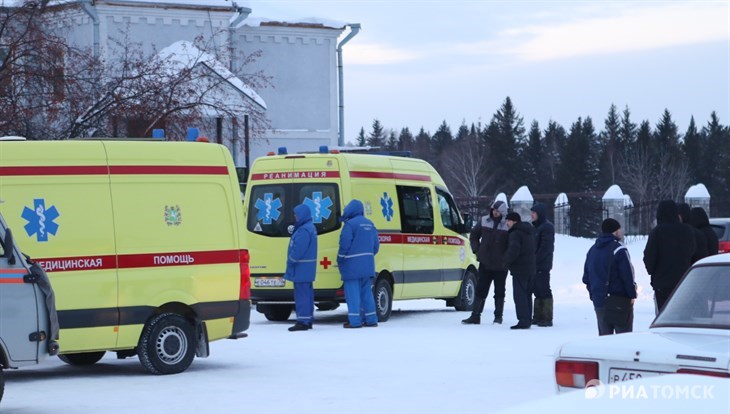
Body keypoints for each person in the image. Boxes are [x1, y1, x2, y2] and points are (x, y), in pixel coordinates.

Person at [583, 218, 637, 335]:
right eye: (619, 229)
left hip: (599, 301)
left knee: (605, 342)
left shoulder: (592, 250)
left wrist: (594, 295)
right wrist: (632, 294)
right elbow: (627, 276)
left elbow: (586, 278)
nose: (621, 231)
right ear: (615, 231)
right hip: (619, 301)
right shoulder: (619, 249)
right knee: (624, 339)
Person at [643, 200, 695, 314]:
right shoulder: (687, 230)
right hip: (683, 281)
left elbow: (649, 257)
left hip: (662, 284)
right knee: (682, 315)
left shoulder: (657, 232)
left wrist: (652, 271)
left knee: (664, 317)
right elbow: (692, 252)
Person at [463, 200, 510, 325]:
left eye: (498, 211)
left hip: (501, 265)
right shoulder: (484, 220)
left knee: (499, 291)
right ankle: (475, 315)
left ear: (503, 212)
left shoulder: (508, 224)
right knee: (481, 289)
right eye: (494, 210)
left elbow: (512, 243)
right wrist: (477, 250)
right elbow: (473, 235)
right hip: (485, 263)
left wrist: (506, 258)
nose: (495, 212)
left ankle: (498, 317)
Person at [337, 199, 380, 329]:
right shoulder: (370, 224)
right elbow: (376, 247)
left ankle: (355, 321)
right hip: (368, 265)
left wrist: (340, 258)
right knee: (366, 293)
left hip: (352, 266)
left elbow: (345, 243)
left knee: (352, 294)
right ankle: (371, 319)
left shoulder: (350, 225)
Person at [284, 203, 318, 332]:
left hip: (301, 267)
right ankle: (308, 319)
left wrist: (291, 260)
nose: (295, 216)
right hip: (307, 268)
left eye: (296, 214)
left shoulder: (303, 230)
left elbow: (299, 249)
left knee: (302, 295)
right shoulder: (310, 227)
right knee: (307, 294)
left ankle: (302, 321)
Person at [503, 212, 536, 330]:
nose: (507, 223)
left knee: (519, 294)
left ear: (514, 221)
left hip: (520, 268)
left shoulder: (515, 233)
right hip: (531, 268)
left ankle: (523, 320)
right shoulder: (529, 231)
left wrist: (505, 261)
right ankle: (527, 319)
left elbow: (514, 250)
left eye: (508, 221)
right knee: (527, 294)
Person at [530, 203, 555, 327]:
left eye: (533, 213)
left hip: (542, 264)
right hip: (535, 264)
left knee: (544, 289)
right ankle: (538, 316)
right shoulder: (536, 227)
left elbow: (545, 248)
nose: (531, 215)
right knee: (537, 289)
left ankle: (546, 316)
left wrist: (536, 260)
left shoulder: (547, 227)